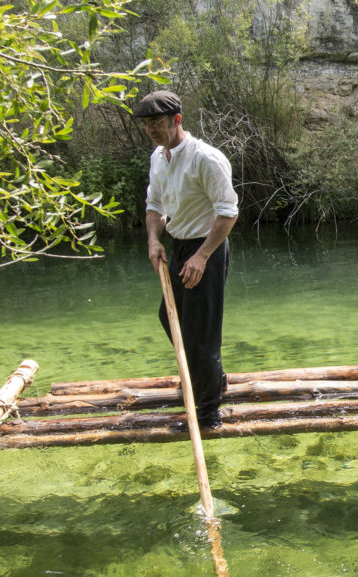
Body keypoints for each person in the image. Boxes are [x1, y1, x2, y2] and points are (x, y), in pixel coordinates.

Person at [136, 90, 239, 429]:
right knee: (170, 319)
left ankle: (208, 415)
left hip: (206, 249)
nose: (152, 130)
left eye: (158, 123)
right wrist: (154, 240)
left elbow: (227, 212)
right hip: (180, 248)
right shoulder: (158, 157)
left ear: (177, 120)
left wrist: (202, 256)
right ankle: (212, 376)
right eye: (147, 124)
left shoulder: (205, 158)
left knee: (200, 336)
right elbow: (155, 206)